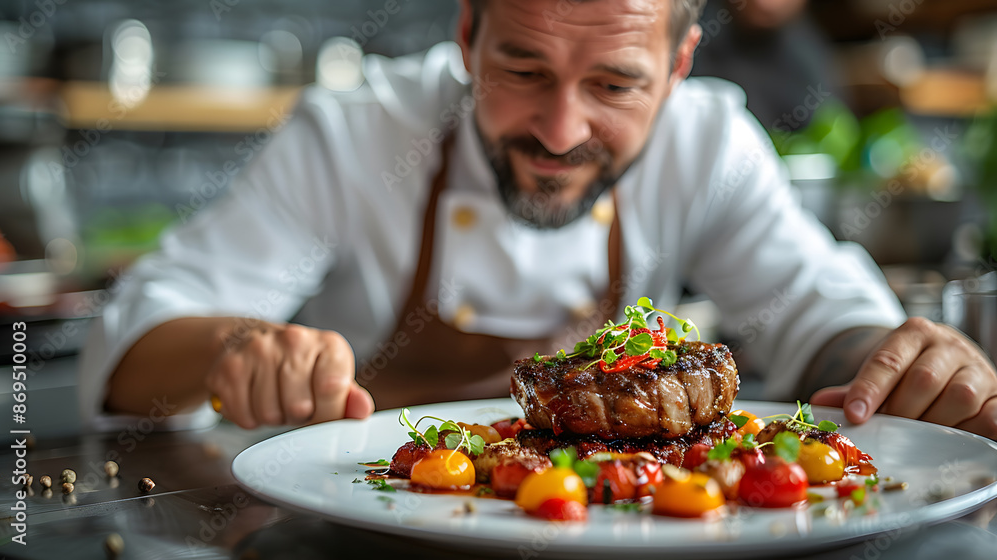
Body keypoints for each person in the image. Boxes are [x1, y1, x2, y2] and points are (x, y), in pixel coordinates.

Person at [79, 0, 997, 440]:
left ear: (677, 67)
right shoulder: (356, 133)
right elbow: (129, 347)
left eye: (613, 85)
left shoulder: (709, 144)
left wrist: (897, 360)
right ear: (467, 37)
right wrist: (235, 347)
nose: (560, 132)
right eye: (522, 71)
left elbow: (818, 315)